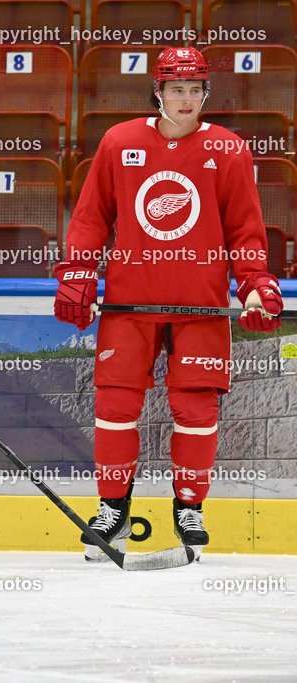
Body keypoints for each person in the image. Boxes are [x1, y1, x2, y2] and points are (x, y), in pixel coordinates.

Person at [55, 47, 283, 560]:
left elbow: (245, 229)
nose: (187, 99)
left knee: (196, 409)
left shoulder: (228, 150)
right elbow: (92, 217)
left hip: (199, 305)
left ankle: (189, 507)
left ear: (207, 93)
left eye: (195, 89)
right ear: (158, 91)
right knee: (114, 406)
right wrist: (78, 272)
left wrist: (252, 282)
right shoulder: (119, 142)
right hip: (129, 305)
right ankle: (113, 508)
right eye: (177, 89)